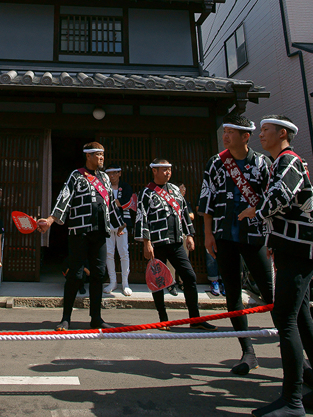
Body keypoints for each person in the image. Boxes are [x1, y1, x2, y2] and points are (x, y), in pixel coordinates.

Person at [239, 116, 313, 417]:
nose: (261, 136)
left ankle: (293, 400)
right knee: (302, 319)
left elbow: (279, 198)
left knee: (285, 318)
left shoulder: (287, 161)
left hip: (297, 248)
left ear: (283, 133)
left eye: (266, 130)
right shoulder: (283, 162)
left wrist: (253, 210)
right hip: (294, 246)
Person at [199, 114, 274, 375]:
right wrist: (207, 234)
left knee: (270, 291)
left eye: (232, 132)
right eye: (225, 130)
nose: (226, 135)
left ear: (246, 136)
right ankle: (247, 351)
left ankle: (292, 349)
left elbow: (271, 200)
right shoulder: (216, 163)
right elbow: (206, 199)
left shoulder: (263, 163)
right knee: (232, 294)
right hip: (223, 235)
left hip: (255, 235)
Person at [37, 142, 124, 331]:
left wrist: (119, 224)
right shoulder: (76, 175)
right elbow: (64, 198)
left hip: (100, 232)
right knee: (75, 275)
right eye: (98, 155)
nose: (102, 158)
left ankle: (96, 318)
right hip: (79, 231)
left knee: (99, 274)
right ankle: (66, 318)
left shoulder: (105, 178)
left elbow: (110, 202)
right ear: (88, 156)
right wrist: (51, 220)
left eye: (103, 154)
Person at [134, 159, 215, 330]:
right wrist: (146, 242)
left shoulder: (175, 190)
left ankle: (195, 318)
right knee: (158, 281)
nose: (168, 173)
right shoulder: (146, 193)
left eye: (169, 170)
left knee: (190, 277)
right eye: (164, 170)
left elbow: (184, 212)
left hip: (177, 241)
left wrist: (190, 235)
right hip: (157, 243)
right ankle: (163, 319)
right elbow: (142, 218)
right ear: (154, 171)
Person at [104, 166, 135, 296]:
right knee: (109, 253)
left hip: (122, 224)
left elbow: (128, 202)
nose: (112, 176)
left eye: (114, 173)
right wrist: (116, 203)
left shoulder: (126, 187)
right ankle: (112, 281)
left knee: (123, 253)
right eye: (109, 174)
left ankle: (125, 282)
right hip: (108, 223)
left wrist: (117, 203)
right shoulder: (104, 187)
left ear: (119, 173)